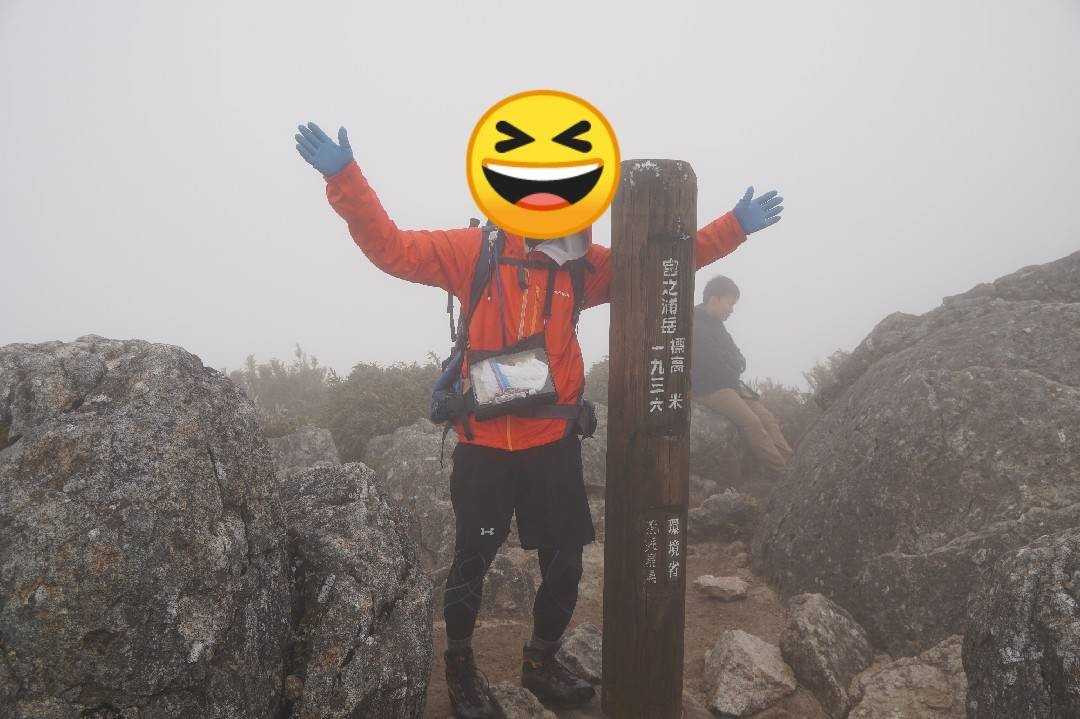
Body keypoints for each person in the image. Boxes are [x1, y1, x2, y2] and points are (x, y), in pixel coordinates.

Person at [294, 121, 784, 717]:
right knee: (472, 560)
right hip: (483, 444)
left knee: (565, 560)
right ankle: (460, 666)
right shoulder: (476, 251)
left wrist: (733, 227)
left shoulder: (581, 264)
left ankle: (541, 660)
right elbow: (391, 248)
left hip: (552, 441)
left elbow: (660, 264)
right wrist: (344, 178)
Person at [692, 275, 794, 472]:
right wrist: (732, 365)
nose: (731, 310)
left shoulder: (717, 324)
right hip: (708, 389)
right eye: (729, 304)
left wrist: (733, 364)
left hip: (731, 384)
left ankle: (793, 465)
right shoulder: (694, 324)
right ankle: (782, 472)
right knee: (752, 422)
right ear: (714, 299)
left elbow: (738, 357)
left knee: (767, 419)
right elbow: (711, 366)